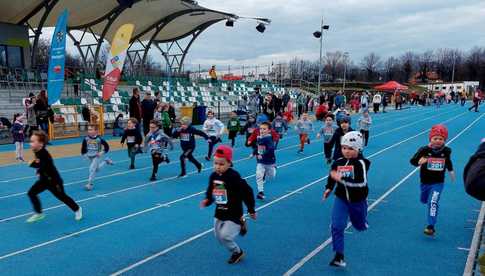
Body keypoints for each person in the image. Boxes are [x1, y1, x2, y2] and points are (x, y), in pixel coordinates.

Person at [200, 145, 256, 264]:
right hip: (220, 211)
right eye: (215, 163)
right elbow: (211, 189)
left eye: (221, 164)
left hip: (234, 212)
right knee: (218, 236)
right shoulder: (213, 176)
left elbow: (247, 192)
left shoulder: (234, 177)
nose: (217, 167)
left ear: (229, 163)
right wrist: (208, 200)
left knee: (225, 236)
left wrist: (251, 209)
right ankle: (242, 224)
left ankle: (237, 252)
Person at [323, 131, 370, 268]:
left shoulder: (361, 163)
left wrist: (342, 179)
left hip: (358, 200)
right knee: (337, 225)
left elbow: (361, 182)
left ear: (358, 149)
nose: (347, 151)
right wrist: (329, 188)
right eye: (344, 148)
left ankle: (362, 221)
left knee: (359, 225)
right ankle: (339, 255)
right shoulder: (338, 161)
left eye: (351, 148)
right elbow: (332, 175)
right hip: (341, 198)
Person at [26, 131, 82, 223]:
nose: (30, 143)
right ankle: (39, 213)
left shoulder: (44, 154)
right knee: (31, 193)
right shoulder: (37, 151)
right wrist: (39, 171)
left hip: (54, 181)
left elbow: (43, 164)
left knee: (62, 197)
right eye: (30, 141)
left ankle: (77, 209)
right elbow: (42, 165)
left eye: (32, 141)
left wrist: (32, 164)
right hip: (44, 180)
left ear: (40, 143)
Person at [410, 124, 455, 236]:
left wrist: (451, 171)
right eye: (435, 138)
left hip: (438, 182)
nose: (438, 141)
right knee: (424, 199)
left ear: (444, 140)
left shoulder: (447, 151)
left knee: (433, 202)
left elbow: (448, 161)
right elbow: (413, 161)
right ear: (430, 139)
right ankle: (425, 198)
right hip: (425, 181)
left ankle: (431, 226)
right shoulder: (424, 150)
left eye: (441, 139)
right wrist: (419, 162)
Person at [81, 124, 113, 191]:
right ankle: (106, 161)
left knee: (92, 169)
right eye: (88, 130)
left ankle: (89, 184)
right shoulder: (86, 139)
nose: (89, 131)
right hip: (89, 156)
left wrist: (101, 153)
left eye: (91, 130)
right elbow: (83, 148)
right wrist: (84, 154)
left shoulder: (99, 139)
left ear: (96, 131)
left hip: (97, 156)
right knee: (97, 169)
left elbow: (107, 147)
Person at [255, 122, 276, 200]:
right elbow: (258, 147)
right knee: (259, 175)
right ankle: (260, 192)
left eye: (264, 129)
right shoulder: (259, 137)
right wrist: (254, 153)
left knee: (271, 176)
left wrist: (262, 155)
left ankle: (274, 168)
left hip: (269, 161)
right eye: (261, 129)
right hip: (261, 161)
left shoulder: (269, 139)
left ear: (269, 130)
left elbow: (271, 149)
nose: (262, 130)